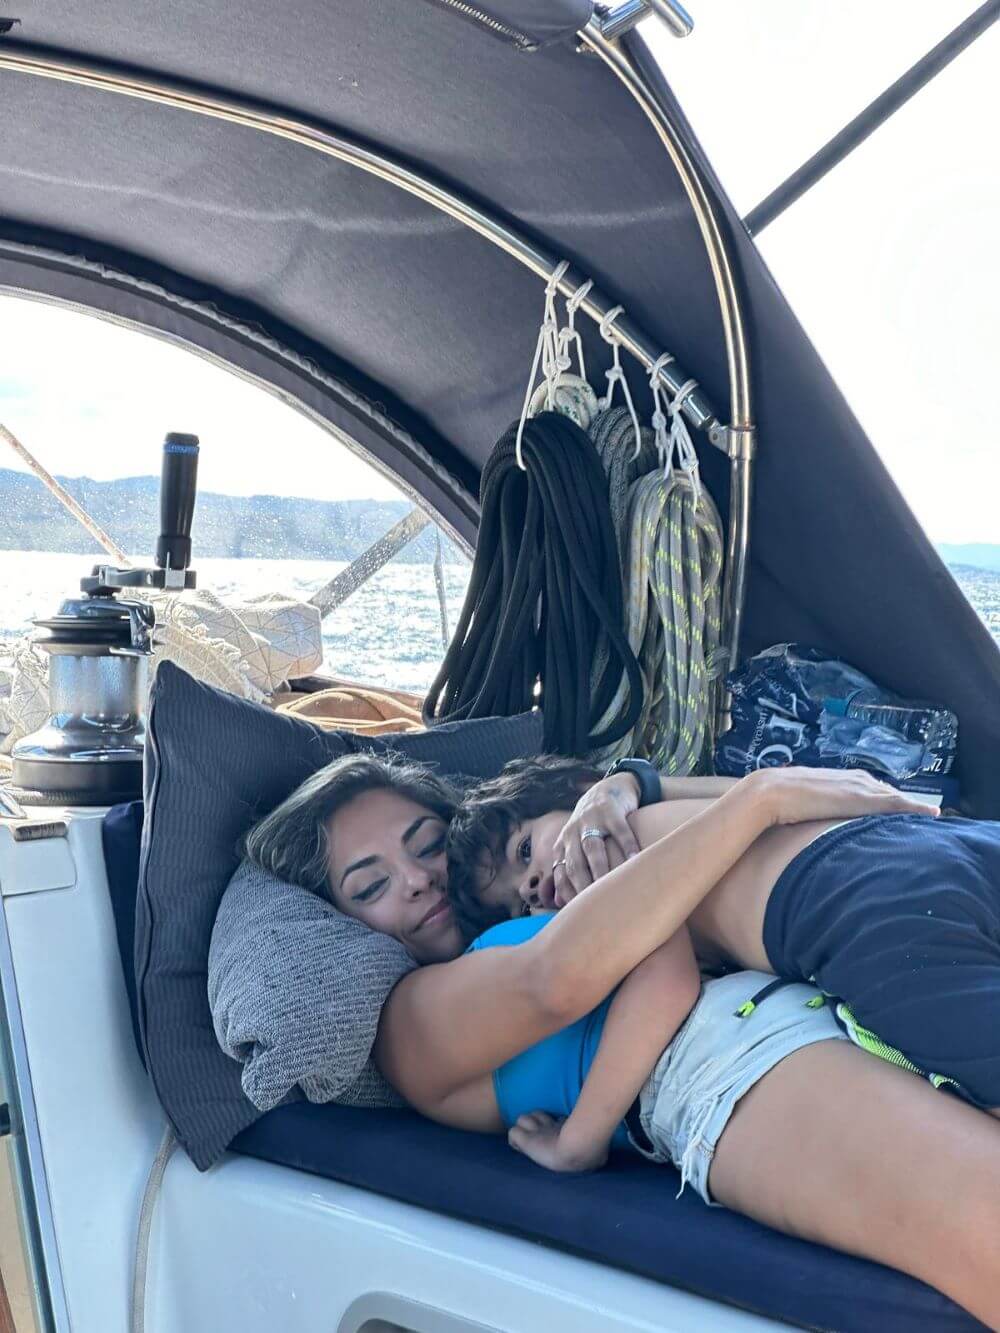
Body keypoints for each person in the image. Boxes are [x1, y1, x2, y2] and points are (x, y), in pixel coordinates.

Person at [244, 752, 1000, 1329]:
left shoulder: (534, 868)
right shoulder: (412, 1018)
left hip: (817, 970)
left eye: (428, 843)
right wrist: (755, 800)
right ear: (336, 922)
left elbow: (646, 842)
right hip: (724, 1061)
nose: (415, 879)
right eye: (370, 885)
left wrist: (623, 787)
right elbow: (558, 977)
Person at [448, 755, 1000, 1117]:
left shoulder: (609, 860)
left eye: (524, 852)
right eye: (520, 902)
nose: (537, 885)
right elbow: (763, 791)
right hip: (929, 841)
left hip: (849, 905)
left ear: (573, 796)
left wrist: (578, 1140)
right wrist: (631, 783)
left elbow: (664, 986)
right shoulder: (687, 808)